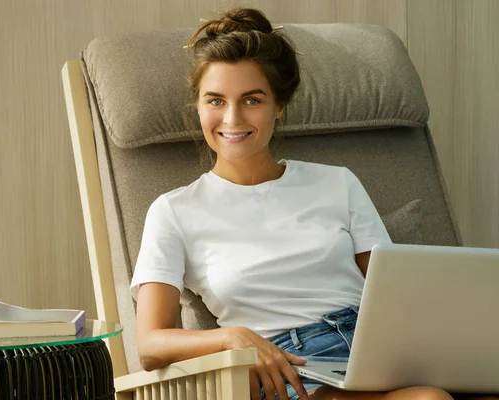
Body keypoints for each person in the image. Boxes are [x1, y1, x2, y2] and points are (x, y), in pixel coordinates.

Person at [130, 7, 453, 400]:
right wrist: (232, 337)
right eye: (215, 100)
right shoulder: (173, 211)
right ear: (198, 106)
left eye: (252, 100)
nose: (232, 118)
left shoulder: (338, 182)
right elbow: (149, 345)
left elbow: (395, 296)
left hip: (373, 352)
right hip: (284, 365)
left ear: (278, 105)